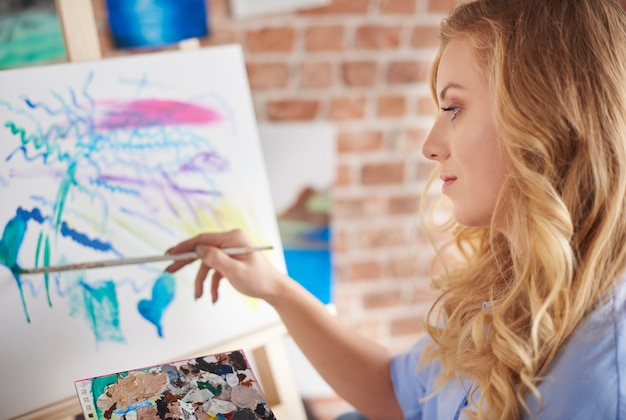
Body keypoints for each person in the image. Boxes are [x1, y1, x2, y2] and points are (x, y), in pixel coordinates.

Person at [164, 0, 626, 418]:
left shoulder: (604, 380)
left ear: (544, 119)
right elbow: (397, 393)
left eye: (454, 108)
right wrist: (275, 289)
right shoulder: (504, 277)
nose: (430, 145)